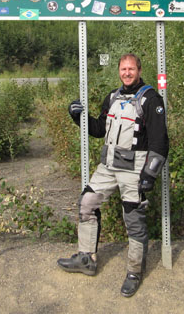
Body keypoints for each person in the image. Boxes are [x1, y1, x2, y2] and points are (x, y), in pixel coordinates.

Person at [57, 53, 169, 297]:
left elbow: (160, 143)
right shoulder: (112, 97)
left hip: (134, 169)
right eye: (123, 69)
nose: (126, 73)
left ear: (139, 70)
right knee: (86, 203)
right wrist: (78, 117)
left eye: (131, 69)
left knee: (134, 220)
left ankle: (134, 271)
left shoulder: (151, 99)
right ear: (118, 71)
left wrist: (149, 174)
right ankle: (86, 258)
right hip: (107, 167)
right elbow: (98, 130)